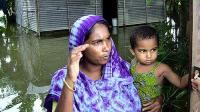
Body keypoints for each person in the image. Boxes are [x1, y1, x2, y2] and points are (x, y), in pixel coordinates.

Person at [44, 15, 142, 112]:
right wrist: (70, 79)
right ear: (80, 46)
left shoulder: (122, 68)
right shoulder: (63, 78)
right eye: (97, 42)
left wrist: (156, 101)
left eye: (108, 39)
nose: (107, 48)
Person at [129, 25, 189, 112]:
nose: (149, 56)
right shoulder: (133, 64)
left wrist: (192, 74)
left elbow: (180, 82)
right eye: (143, 51)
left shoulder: (161, 69)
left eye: (153, 49)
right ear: (133, 51)